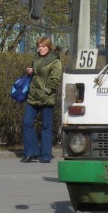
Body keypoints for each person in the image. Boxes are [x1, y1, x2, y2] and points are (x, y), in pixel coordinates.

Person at [22, 36, 63, 164]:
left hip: (46, 97)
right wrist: (31, 71)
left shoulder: (55, 61)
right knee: (27, 122)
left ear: (49, 47)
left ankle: (45, 155)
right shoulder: (36, 57)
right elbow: (38, 73)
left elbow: (55, 80)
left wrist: (46, 91)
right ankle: (32, 152)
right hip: (34, 95)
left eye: (43, 46)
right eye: (39, 46)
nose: (40, 49)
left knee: (46, 126)